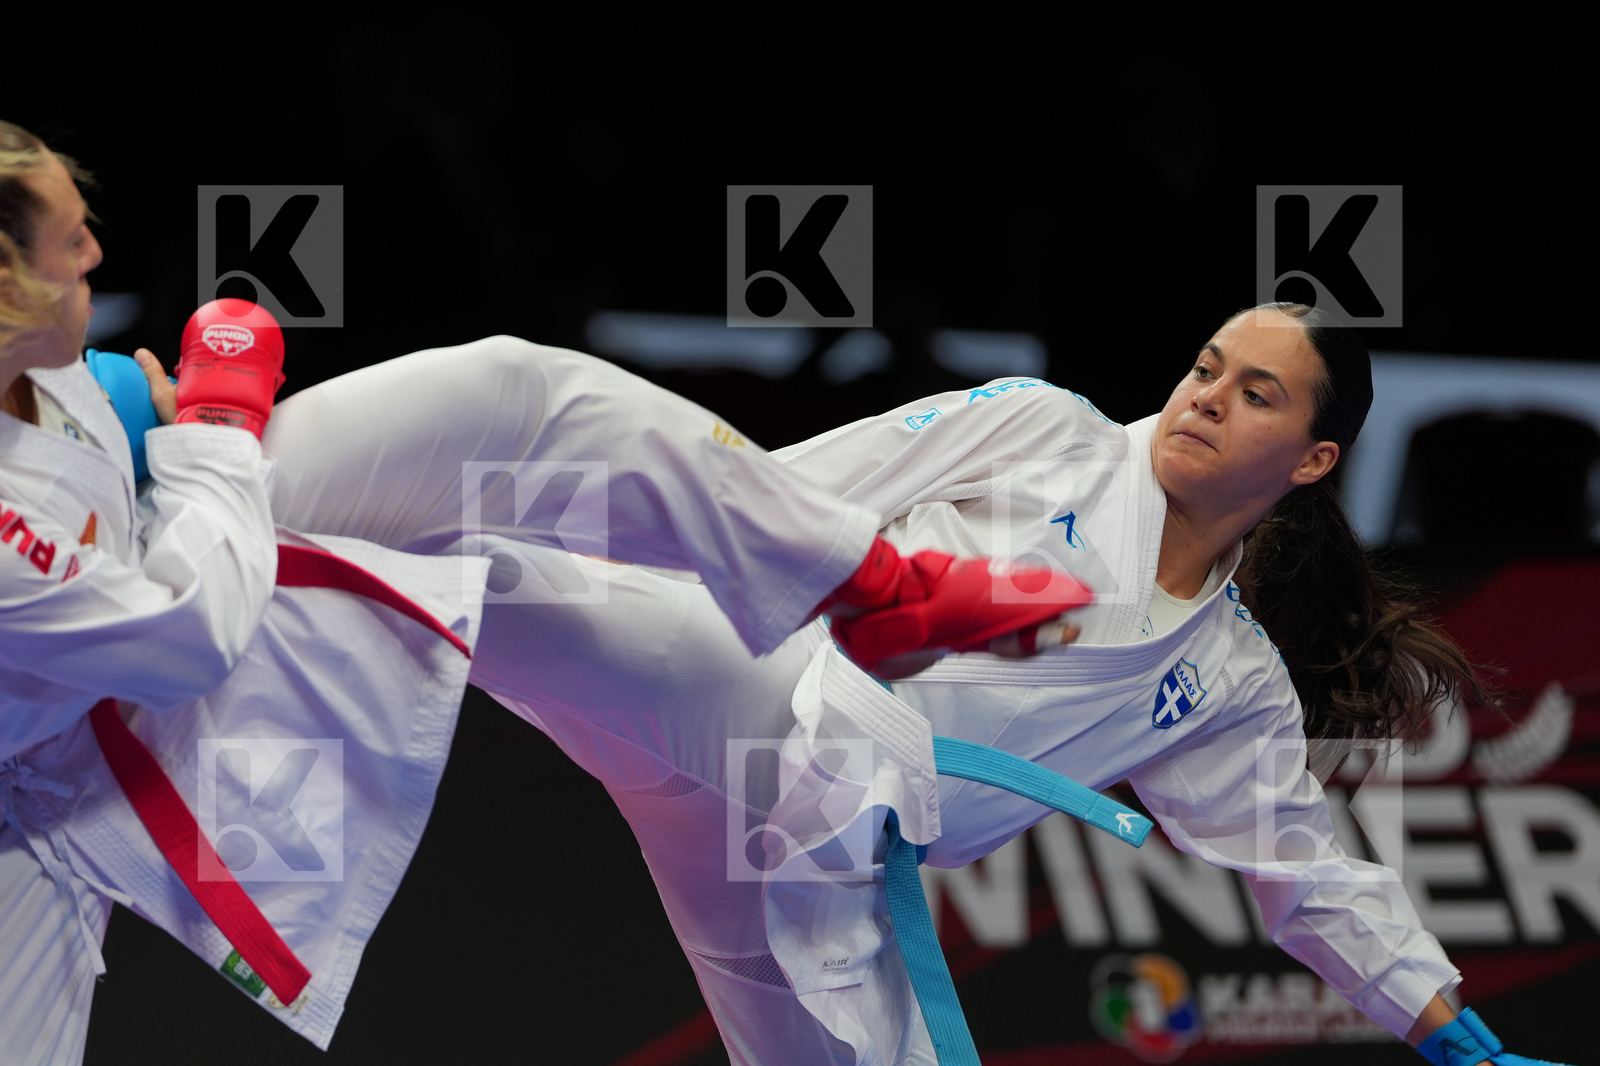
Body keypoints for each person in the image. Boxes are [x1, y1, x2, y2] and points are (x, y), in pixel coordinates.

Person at [0, 122, 1082, 1064]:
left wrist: (144, 419)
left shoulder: (48, 367)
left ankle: (875, 581)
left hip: (173, 586)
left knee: (512, 396)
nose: (98, 247)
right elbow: (187, 634)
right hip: (81, 760)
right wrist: (219, 431)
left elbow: (97, 440)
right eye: (66, 238)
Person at [455, 306, 1569, 1066]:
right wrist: (609, 543)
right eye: (1204, 369)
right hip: (755, 687)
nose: (1207, 397)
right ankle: (300, 519)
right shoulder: (1046, 431)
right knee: (478, 586)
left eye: (1257, 392)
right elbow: (774, 491)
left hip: (820, 867)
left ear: (1312, 459)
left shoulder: (1226, 679)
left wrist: (1455, 1039)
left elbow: (1305, 877)